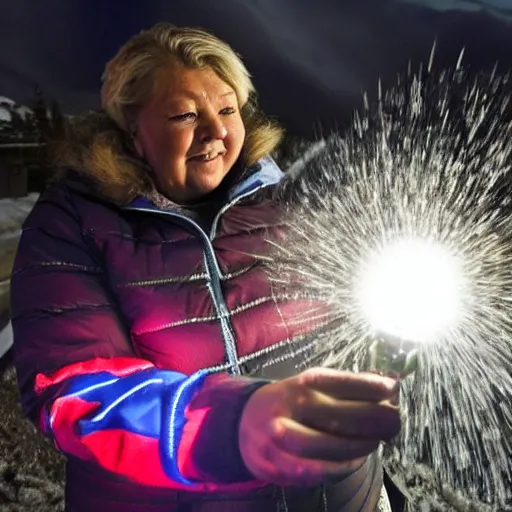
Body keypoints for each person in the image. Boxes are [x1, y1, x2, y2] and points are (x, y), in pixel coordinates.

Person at [11, 23, 401, 512]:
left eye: (227, 109)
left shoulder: (289, 200)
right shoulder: (71, 224)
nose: (216, 132)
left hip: (336, 497)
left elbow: (350, 318)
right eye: (184, 115)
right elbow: (75, 391)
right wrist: (232, 426)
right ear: (132, 132)